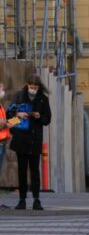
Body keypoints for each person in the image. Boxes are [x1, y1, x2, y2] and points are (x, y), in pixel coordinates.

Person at [8, 76, 51, 211]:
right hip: (21, 138)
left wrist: (39, 117)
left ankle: (36, 200)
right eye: (31, 87)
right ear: (27, 85)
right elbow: (9, 117)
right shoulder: (19, 96)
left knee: (34, 171)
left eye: (36, 88)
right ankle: (22, 200)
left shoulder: (43, 99)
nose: (33, 90)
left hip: (35, 139)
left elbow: (47, 119)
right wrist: (18, 114)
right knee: (21, 170)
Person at [0, 83, 8, 182]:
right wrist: (5, 124)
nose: (3, 90)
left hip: (2, 141)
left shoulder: (1, 105)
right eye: (1, 88)